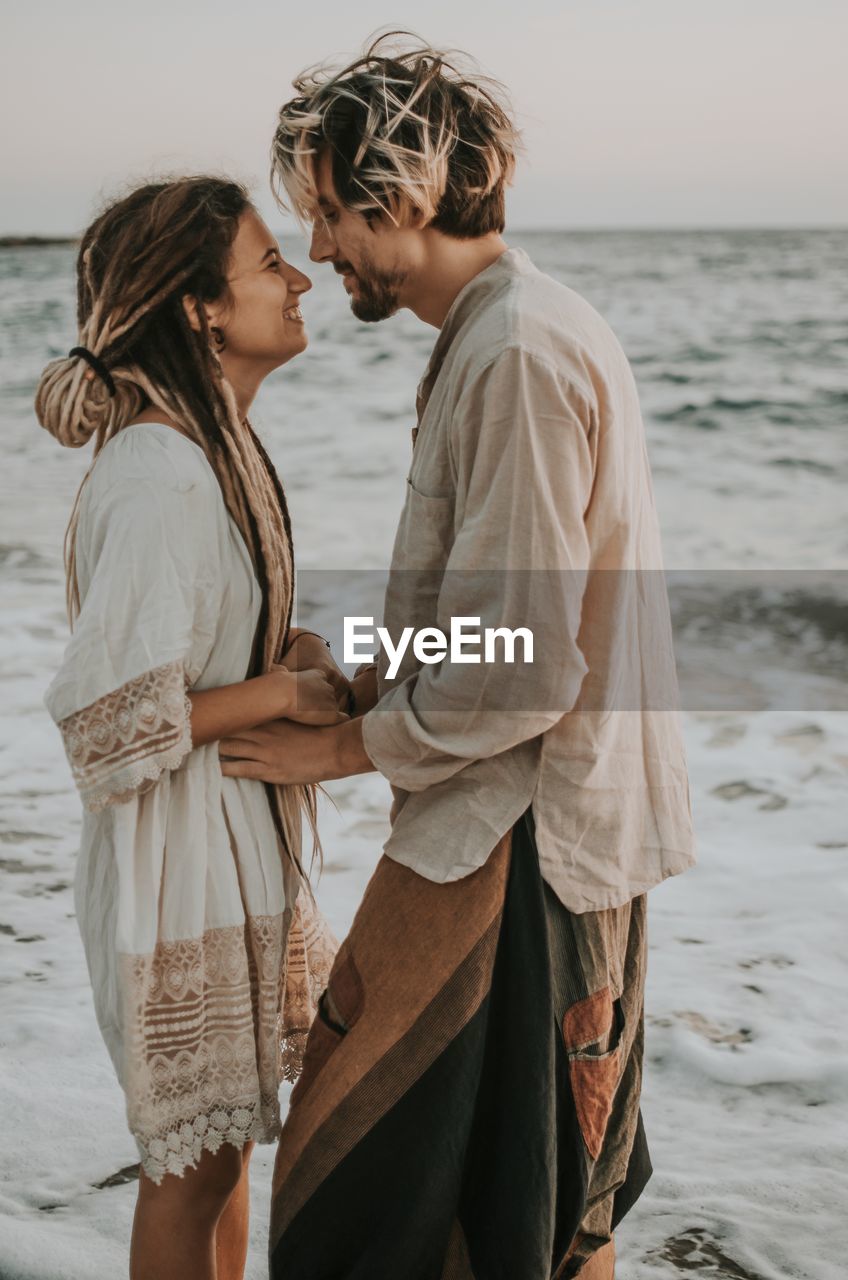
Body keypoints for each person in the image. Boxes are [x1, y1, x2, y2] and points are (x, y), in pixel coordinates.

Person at [222, 35, 697, 1280]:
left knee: (464, 1207)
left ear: (407, 193)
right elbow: (509, 612)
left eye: (326, 212)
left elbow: (524, 664)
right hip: (520, 822)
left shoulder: (518, 351)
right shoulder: (503, 329)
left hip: (524, 838)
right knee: (529, 1206)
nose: (319, 249)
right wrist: (373, 660)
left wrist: (333, 745)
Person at [35, 177, 351, 1280]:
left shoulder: (207, 456)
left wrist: (285, 654)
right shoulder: (161, 471)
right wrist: (277, 698)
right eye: (271, 263)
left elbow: (186, 652)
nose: (300, 277)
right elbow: (104, 724)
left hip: (224, 851)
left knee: (221, 1158)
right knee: (194, 1169)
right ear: (199, 309)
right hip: (176, 866)